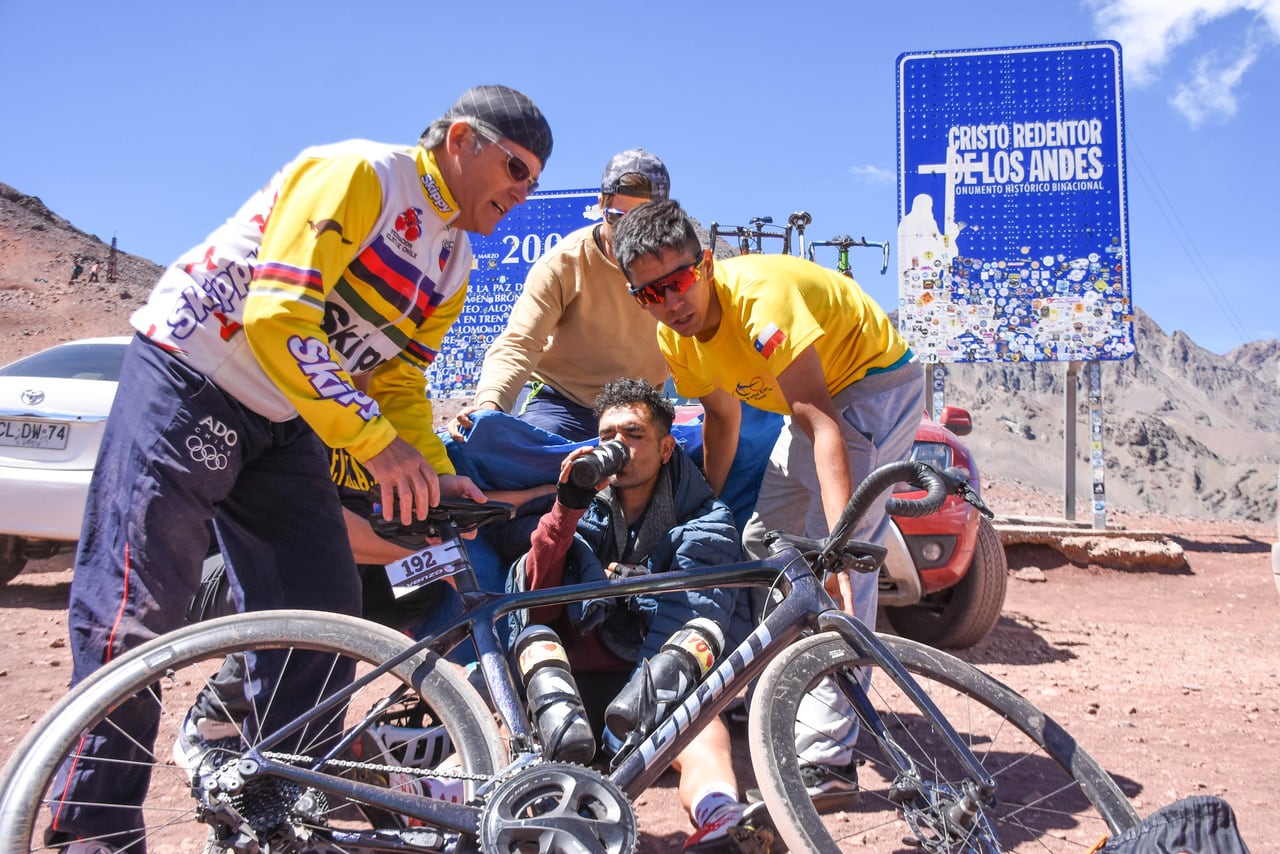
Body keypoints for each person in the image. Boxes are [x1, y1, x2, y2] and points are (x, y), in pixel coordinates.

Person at [48, 83, 553, 852]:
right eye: (516, 168)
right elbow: (278, 315)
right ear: (462, 140)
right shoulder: (363, 173)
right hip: (194, 372)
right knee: (138, 606)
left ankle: (277, 803)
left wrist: (425, 464)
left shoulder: (453, 259)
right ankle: (93, 829)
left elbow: (396, 380)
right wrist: (374, 445)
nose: (523, 191)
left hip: (283, 415)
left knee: (321, 602)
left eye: (535, 181)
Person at [611, 199, 925, 797]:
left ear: (704, 264)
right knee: (761, 543)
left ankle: (829, 756)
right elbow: (722, 419)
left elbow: (825, 423)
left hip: (869, 386)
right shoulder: (674, 338)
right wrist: (699, 506)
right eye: (650, 293)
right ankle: (780, 686)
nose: (671, 303)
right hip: (804, 402)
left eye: (677, 282)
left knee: (830, 569)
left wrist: (840, 544)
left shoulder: (759, 300)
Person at [511, 378, 770, 852]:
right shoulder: (581, 510)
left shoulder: (707, 521)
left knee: (700, 727)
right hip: (569, 688)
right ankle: (436, 797)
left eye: (633, 435)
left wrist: (625, 729)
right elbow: (535, 602)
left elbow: (692, 620)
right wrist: (566, 509)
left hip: (650, 686)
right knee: (520, 689)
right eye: (608, 436)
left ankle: (722, 820)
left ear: (666, 448)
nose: (618, 446)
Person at [449, 149, 672, 442]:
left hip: (638, 409)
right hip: (560, 403)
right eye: (617, 216)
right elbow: (519, 344)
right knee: (537, 453)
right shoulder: (563, 263)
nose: (628, 231)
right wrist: (488, 409)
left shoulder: (678, 268)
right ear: (600, 204)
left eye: (641, 219)